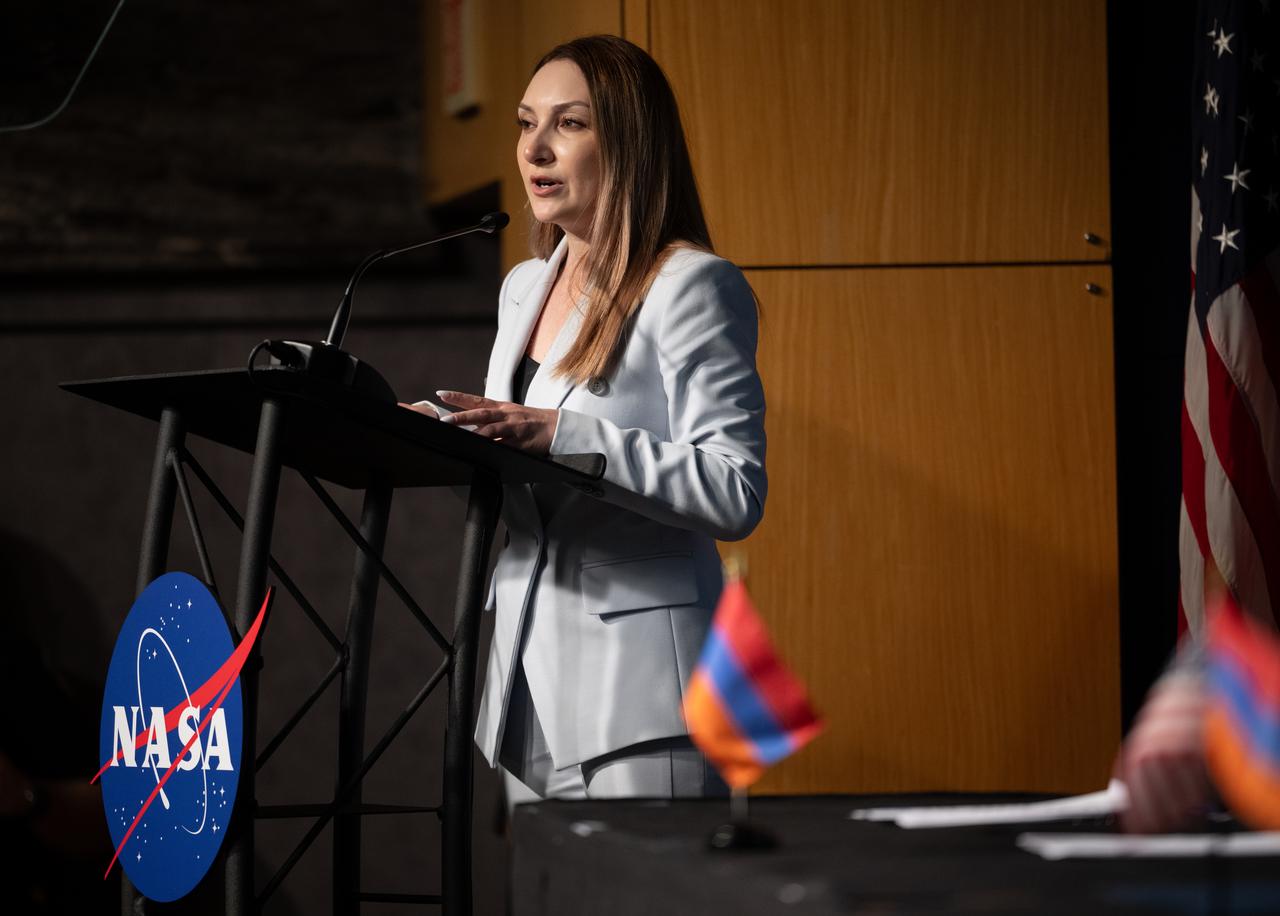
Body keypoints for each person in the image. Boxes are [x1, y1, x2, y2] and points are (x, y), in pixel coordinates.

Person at [404, 35, 766, 803]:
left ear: (629, 144)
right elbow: (522, 473)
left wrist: (561, 436)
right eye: (525, 122)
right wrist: (440, 435)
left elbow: (735, 491)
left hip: (645, 694)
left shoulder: (691, 285)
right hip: (525, 687)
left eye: (568, 124)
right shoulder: (522, 286)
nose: (535, 148)